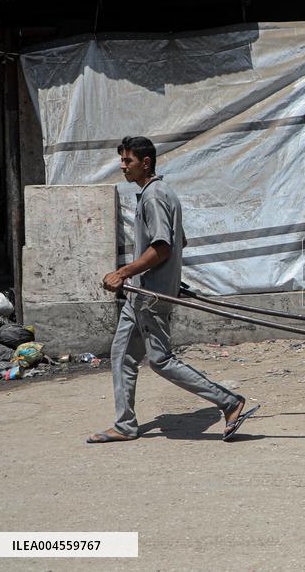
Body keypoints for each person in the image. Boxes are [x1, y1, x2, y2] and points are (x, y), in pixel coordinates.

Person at [88, 136, 259, 443]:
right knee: (122, 354)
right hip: (142, 293)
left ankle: (230, 402)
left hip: (150, 296)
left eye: (128, 161)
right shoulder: (163, 192)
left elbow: (163, 248)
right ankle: (125, 424)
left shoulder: (153, 197)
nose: (123, 167)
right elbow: (180, 241)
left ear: (146, 163)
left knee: (161, 359)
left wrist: (123, 273)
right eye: (122, 161)